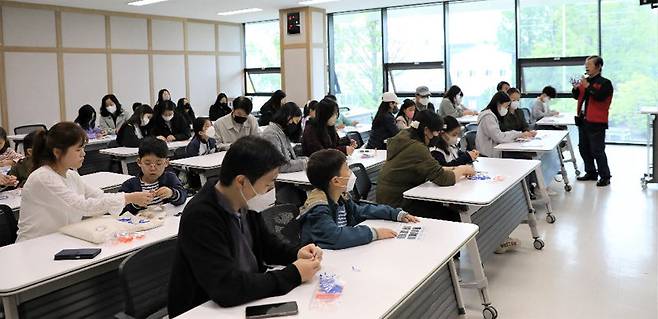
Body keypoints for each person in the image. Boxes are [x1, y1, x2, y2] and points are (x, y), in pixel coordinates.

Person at [167, 136, 323, 316]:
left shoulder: (241, 203)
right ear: (241, 181)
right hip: (203, 309)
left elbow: (268, 246)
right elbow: (226, 288)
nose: (271, 189)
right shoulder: (201, 216)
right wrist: (294, 274)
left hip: (243, 298)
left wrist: (297, 253)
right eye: (268, 183)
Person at [16, 122, 153, 241]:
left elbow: (99, 196)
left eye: (83, 148)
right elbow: (83, 206)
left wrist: (129, 198)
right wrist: (127, 198)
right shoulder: (43, 177)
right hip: (35, 244)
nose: (83, 154)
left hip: (61, 239)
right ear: (57, 152)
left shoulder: (71, 175)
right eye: (78, 149)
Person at [299, 149, 419, 249]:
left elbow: (362, 210)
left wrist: (394, 213)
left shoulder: (341, 197)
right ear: (336, 181)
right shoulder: (318, 208)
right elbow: (334, 237)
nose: (351, 172)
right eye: (347, 168)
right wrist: (374, 233)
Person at [377, 110, 474, 221]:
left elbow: (432, 168)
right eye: (437, 132)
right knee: (451, 216)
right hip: (398, 203)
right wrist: (463, 169)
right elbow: (443, 178)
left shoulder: (406, 137)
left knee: (445, 209)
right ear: (426, 130)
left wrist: (454, 168)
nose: (438, 136)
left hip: (391, 196)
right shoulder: (417, 148)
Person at [573, 55, 613, 187]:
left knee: (597, 150)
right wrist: (575, 87)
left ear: (598, 66)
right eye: (586, 64)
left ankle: (605, 176)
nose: (586, 67)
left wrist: (587, 85)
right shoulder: (585, 82)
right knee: (583, 148)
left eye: (589, 65)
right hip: (583, 119)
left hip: (596, 121)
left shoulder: (605, 83)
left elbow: (600, 96)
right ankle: (590, 172)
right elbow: (576, 96)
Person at [120, 137, 187, 214]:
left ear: (166, 163)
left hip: (165, 220)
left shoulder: (170, 178)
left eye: (158, 163)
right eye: (147, 163)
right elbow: (119, 209)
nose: (153, 168)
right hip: (141, 223)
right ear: (139, 162)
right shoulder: (130, 185)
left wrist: (172, 193)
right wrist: (136, 204)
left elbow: (183, 196)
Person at [261, 102, 308, 206]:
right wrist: (304, 163)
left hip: (287, 182)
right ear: (288, 117)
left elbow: (290, 158)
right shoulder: (271, 134)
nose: (295, 126)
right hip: (279, 185)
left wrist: (306, 159)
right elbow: (279, 165)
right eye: (295, 122)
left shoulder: (282, 132)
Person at [475, 92, 536, 157]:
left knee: (528, 154)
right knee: (525, 156)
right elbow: (499, 137)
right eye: (506, 106)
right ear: (498, 104)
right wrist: (518, 134)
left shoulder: (493, 115)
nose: (507, 109)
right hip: (489, 152)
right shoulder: (488, 117)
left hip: (496, 148)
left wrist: (518, 134)